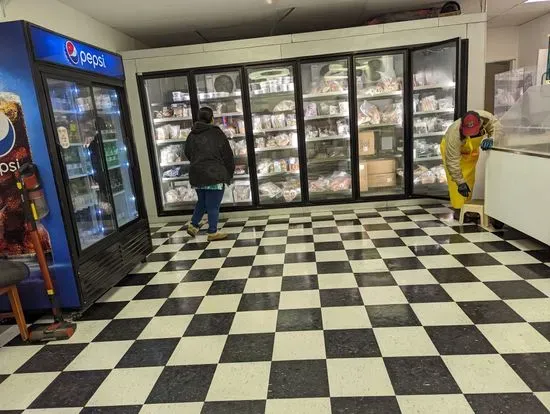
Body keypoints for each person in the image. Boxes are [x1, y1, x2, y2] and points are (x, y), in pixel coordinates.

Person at [184, 107, 235, 241]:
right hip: (214, 174)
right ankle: (212, 232)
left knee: (202, 201)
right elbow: (227, 154)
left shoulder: (192, 134)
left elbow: (187, 152)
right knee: (213, 205)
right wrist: (229, 172)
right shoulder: (216, 133)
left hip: (197, 174)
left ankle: (193, 225)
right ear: (211, 118)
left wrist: (197, 163)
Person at [441, 110, 502, 219]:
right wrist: (460, 183)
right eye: (468, 132)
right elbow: (452, 161)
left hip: (470, 151)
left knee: (469, 179)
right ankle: (458, 210)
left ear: (479, 123)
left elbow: (498, 128)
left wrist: (492, 139)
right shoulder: (454, 134)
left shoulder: (487, 119)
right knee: (455, 183)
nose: (471, 134)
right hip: (453, 152)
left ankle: (467, 208)